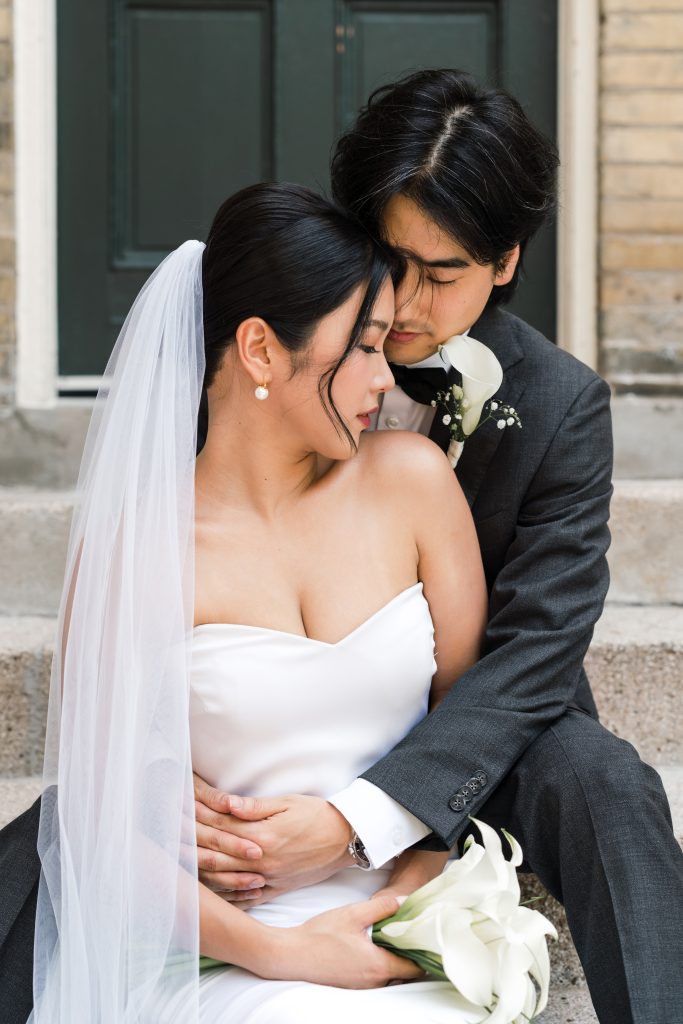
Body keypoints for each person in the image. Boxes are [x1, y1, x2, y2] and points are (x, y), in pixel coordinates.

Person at [191, 71, 683, 1024]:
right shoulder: (254, 362)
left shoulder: (554, 404)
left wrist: (361, 820)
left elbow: (534, 656)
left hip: (472, 743)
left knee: (608, 784)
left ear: (504, 262)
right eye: (389, 258)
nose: (407, 304)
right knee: (59, 839)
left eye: (444, 272)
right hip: (257, 752)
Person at [12, 181, 516, 1024]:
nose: (383, 377)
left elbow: (473, 731)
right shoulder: (141, 548)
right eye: (358, 347)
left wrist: (413, 893)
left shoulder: (412, 484)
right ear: (258, 349)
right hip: (226, 945)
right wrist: (287, 953)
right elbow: (104, 832)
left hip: (406, 914)